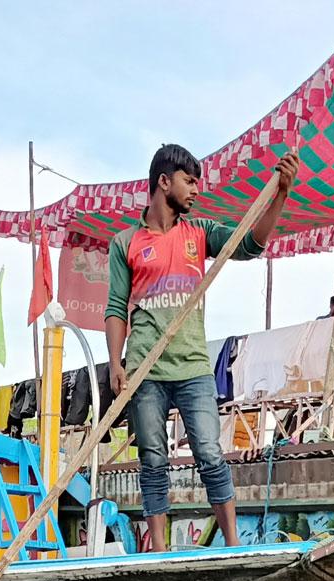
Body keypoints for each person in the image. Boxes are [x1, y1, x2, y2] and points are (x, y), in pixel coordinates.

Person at [107, 142, 299, 552]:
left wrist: (280, 194)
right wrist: (115, 363)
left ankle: (231, 543)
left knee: (210, 454)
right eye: (188, 181)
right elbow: (115, 307)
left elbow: (249, 244)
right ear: (164, 182)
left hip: (193, 365)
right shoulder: (126, 243)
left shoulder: (200, 234)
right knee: (153, 460)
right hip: (146, 369)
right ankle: (158, 549)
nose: (195, 190)